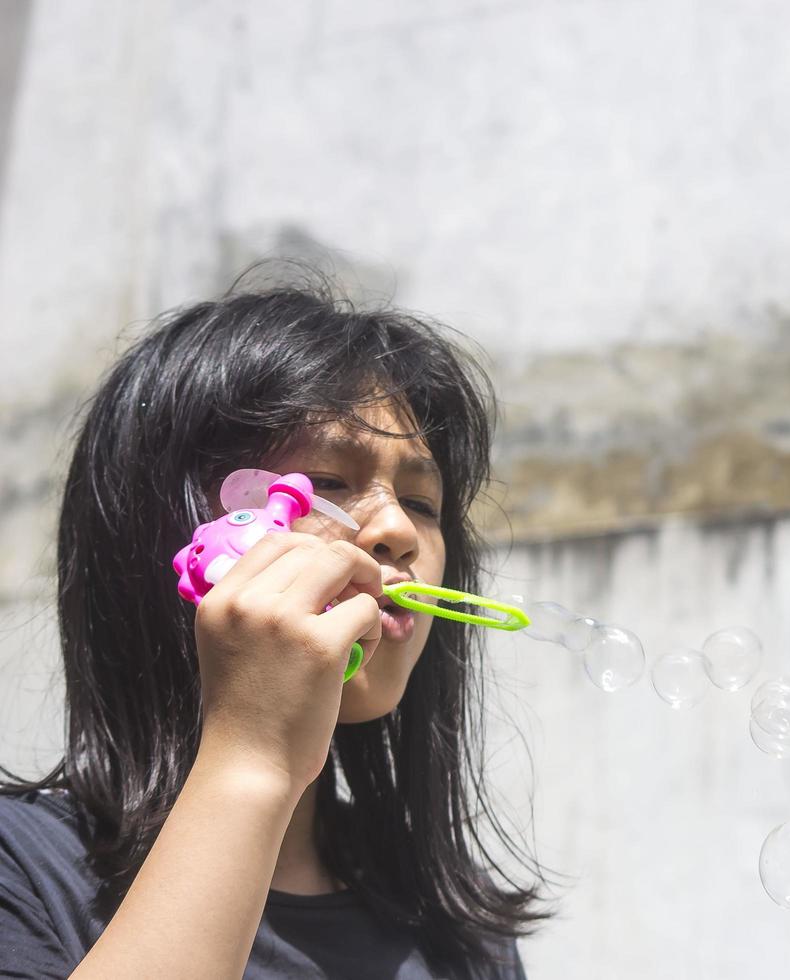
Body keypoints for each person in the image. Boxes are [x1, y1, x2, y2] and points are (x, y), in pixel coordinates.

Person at [0, 273, 547, 978]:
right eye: (327, 484)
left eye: (421, 501)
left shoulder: (452, 929)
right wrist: (252, 759)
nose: (395, 530)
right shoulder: (24, 873)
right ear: (183, 541)